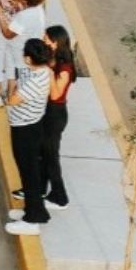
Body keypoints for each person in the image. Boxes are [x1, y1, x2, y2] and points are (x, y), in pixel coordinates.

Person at [3, 37, 54, 236]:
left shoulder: (36, 80)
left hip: (25, 129)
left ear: (28, 59)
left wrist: (12, 88)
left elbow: (12, 100)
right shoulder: (40, 72)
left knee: (29, 173)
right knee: (28, 171)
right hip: (29, 125)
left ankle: (33, 218)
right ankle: (33, 210)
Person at [0, 0, 47, 109]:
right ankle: (8, 98)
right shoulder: (37, 9)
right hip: (24, 49)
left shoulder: (25, 16)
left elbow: (7, 34)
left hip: (20, 52)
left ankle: (10, 101)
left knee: (15, 75)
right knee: (11, 74)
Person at [40, 25, 76, 209]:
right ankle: (41, 189)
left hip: (55, 113)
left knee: (51, 156)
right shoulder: (54, 60)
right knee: (43, 153)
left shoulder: (64, 68)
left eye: (46, 39)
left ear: (55, 43)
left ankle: (60, 197)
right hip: (47, 111)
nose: (43, 40)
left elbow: (55, 94)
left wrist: (47, 70)